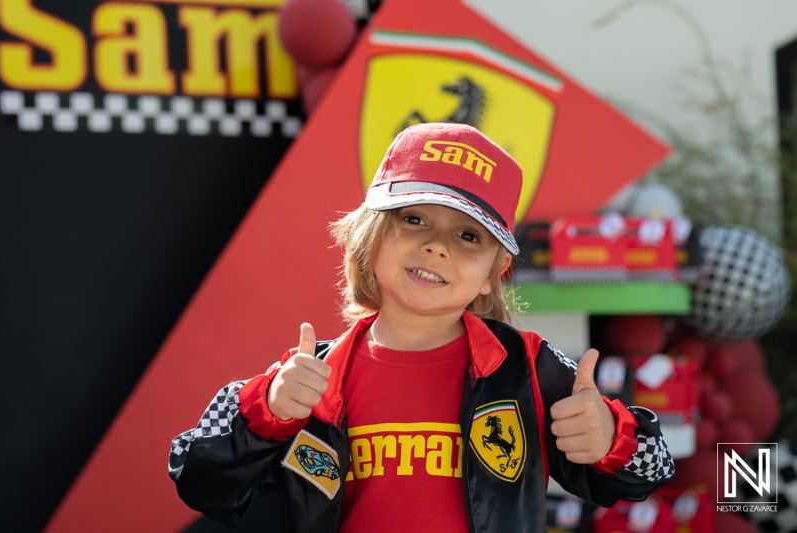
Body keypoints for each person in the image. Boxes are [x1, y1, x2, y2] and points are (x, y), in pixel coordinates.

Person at [169, 123, 674, 532]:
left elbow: (653, 469)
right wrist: (267, 412)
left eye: (468, 235)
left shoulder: (528, 368)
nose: (437, 246)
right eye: (413, 219)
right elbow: (198, 478)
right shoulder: (310, 378)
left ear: (493, 275)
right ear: (370, 237)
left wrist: (613, 438)